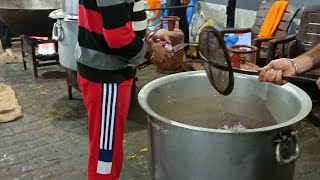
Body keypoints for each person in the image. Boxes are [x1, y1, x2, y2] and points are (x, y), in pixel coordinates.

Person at [76, 0, 171, 180]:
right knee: (105, 154)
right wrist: (150, 52)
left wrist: (147, 35)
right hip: (107, 77)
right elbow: (118, 37)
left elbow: (117, 17)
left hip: (104, 71)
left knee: (107, 144)